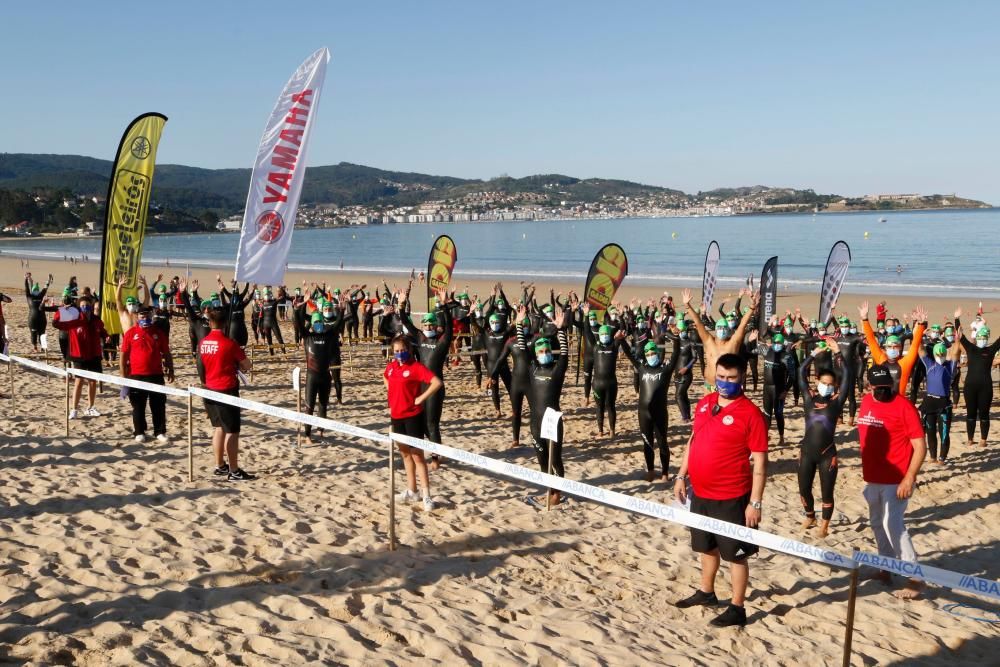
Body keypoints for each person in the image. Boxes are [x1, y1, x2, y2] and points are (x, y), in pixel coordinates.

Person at [673, 353, 768, 628]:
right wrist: (681, 475)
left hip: (732, 497)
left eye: (731, 378)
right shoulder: (705, 403)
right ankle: (707, 592)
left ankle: (737, 607)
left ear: (742, 378)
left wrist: (756, 502)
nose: (725, 383)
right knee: (707, 547)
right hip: (700, 493)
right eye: (721, 377)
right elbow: (693, 441)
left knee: (735, 555)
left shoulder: (751, 414)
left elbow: (760, 461)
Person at [857, 364, 927, 600]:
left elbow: (920, 446)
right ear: (869, 387)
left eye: (888, 386)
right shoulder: (866, 402)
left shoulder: (904, 407)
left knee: (892, 524)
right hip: (873, 478)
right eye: (879, 387)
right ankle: (885, 569)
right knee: (877, 523)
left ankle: (914, 577)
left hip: (897, 479)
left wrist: (910, 477)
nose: (884, 391)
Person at [797, 337, 852, 536]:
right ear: (817, 382)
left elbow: (847, 375)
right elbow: (800, 372)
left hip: (827, 454)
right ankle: (810, 515)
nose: (827, 386)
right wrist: (813, 354)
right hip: (807, 452)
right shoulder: (808, 397)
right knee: (804, 489)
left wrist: (838, 353)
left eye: (831, 384)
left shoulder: (836, 401)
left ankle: (824, 527)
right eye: (824, 383)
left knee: (826, 492)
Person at [384, 334, 442, 511]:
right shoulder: (392, 367)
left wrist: (421, 398)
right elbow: (385, 377)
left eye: (402, 350)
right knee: (405, 455)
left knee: (417, 456)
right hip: (396, 416)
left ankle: (426, 495)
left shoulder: (416, 367)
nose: (399, 354)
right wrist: (392, 393)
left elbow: (436, 382)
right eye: (396, 351)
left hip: (412, 416)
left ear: (408, 350)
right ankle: (412, 490)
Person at [199, 306, 254, 481]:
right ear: (226, 323)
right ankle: (234, 470)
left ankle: (220, 465)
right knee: (232, 431)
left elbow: (200, 365)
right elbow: (247, 365)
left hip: (208, 389)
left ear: (210, 322)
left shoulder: (203, 342)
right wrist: (237, 362)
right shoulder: (230, 343)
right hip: (226, 390)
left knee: (218, 428)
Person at [524, 306, 570, 506]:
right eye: (540, 351)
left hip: (552, 420)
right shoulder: (533, 368)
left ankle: (557, 493)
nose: (544, 353)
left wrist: (560, 330)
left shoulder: (556, 369)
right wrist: (519, 323)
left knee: (555, 459)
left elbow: (566, 353)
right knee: (542, 460)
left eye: (546, 351)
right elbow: (522, 349)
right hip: (535, 420)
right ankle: (549, 490)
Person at [621, 334, 680, 481]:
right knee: (647, 443)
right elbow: (629, 354)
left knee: (662, 443)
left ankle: (665, 473)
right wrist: (622, 339)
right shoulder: (642, 367)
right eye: (648, 353)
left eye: (653, 352)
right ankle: (651, 470)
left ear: (658, 353)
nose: (651, 355)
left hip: (660, 413)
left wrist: (676, 339)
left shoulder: (665, 369)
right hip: (643, 413)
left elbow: (676, 354)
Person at [681, 288, 759, 391]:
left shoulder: (733, 343)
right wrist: (688, 306)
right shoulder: (709, 341)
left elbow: (743, 324)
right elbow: (698, 322)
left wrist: (752, 307)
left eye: (724, 328)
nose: (721, 330)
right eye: (719, 327)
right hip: (709, 386)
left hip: (728, 387)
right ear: (715, 328)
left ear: (728, 330)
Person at [119, 306, 174, 443]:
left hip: (156, 374)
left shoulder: (158, 333)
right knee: (138, 405)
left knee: (158, 405)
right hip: (136, 375)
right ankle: (139, 431)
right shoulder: (130, 333)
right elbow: (123, 355)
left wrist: (171, 369)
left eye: (147, 316)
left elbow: (166, 353)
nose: (145, 319)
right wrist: (123, 375)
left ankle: (160, 431)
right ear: (137, 317)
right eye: (142, 317)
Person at [53, 295, 108, 418]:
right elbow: (56, 323)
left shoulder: (96, 320)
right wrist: (62, 310)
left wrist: (106, 335)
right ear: (78, 307)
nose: (85, 307)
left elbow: (102, 330)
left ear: (91, 306)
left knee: (93, 382)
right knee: (79, 381)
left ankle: (90, 407)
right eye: (82, 305)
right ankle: (74, 409)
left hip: (94, 355)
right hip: (79, 355)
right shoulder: (74, 319)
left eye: (87, 305)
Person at [859, 301, 926, 398]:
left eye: (896, 346)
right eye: (890, 346)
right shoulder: (881, 359)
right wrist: (865, 319)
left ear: (900, 348)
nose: (893, 348)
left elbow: (915, 345)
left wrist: (921, 324)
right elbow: (871, 340)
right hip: (882, 403)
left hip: (898, 405)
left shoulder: (905, 363)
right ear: (885, 348)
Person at [955, 309, 999, 447]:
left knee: (984, 413)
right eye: (979, 337)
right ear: (976, 337)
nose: (981, 340)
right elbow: (960, 335)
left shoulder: (991, 350)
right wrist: (957, 319)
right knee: (971, 413)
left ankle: (983, 440)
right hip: (970, 387)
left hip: (985, 387)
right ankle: (970, 438)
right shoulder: (971, 349)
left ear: (987, 338)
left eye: (984, 337)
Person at [916, 335, 961, 463]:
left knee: (944, 433)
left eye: (942, 353)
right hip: (929, 402)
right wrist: (918, 332)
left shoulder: (949, 367)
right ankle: (933, 456)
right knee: (930, 431)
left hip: (943, 402)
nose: (940, 355)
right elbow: (920, 350)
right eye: (938, 353)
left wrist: (957, 340)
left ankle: (942, 458)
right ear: (934, 353)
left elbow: (955, 353)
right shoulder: (929, 364)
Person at [24, 272, 53, 352]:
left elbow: (45, 288)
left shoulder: (37, 296)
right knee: (35, 333)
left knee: (41, 334)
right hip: (35, 319)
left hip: (39, 319)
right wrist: (26, 279)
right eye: (35, 290)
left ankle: (41, 347)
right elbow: (27, 288)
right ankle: (36, 347)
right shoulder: (30, 296)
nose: (36, 291)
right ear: (33, 291)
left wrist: (49, 279)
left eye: (37, 290)